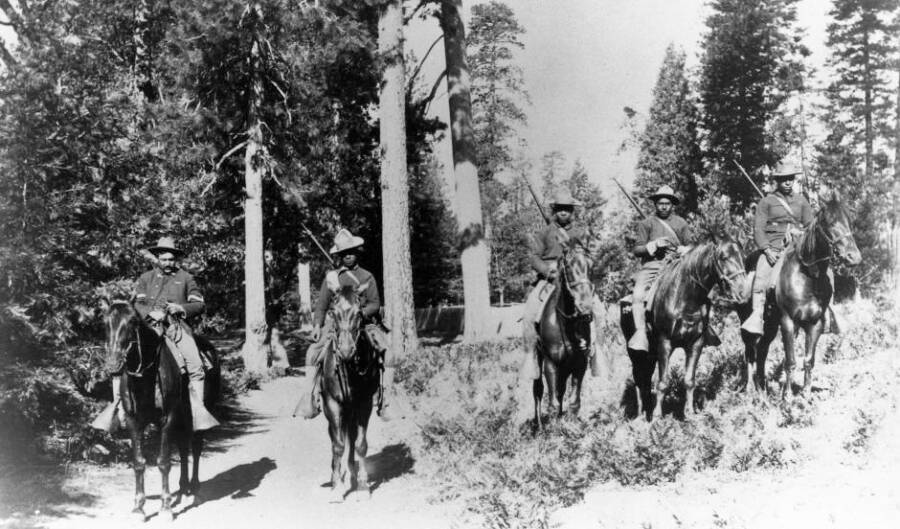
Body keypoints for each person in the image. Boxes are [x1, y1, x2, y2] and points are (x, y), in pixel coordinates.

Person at [91, 236, 219, 432]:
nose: (168, 263)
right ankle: (118, 410)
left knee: (195, 364)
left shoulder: (186, 278)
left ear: (176, 259)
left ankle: (198, 413)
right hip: (149, 327)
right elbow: (137, 304)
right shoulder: (146, 278)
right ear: (157, 258)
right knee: (121, 360)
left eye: (171, 259)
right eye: (164, 259)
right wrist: (149, 313)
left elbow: (199, 304)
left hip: (176, 328)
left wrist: (179, 308)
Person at [297, 229, 396, 420]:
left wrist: (358, 314)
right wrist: (317, 325)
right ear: (340, 256)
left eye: (351, 252)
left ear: (357, 252)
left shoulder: (367, 277)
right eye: (344, 253)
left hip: (364, 325)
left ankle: (387, 400)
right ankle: (310, 398)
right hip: (336, 326)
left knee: (389, 355)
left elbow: (375, 303)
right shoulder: (332, 278)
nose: (348, 256)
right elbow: (321, 306)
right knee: (312, 353)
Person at [521, 188, 599, 380]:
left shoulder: (581, 232)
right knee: (529, 313)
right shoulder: (544, 232)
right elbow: (534, 257)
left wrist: (581, 265)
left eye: (567, 209)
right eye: (560, 209)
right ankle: (531, 356)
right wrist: (548, 270)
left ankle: (597, 353)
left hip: (575, 278)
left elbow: (590, 255)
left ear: (573, 211)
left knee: (599, 311)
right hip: (549, 279)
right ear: (554, 211)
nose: (564, 212)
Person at [742, 162, 813, 335]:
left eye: (791, 179)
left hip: (798, 248)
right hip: (773, 248)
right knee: (761, 275)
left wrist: (799, 231)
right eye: (784, 179)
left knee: (822, 272)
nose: (788, 182)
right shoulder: (766, 202)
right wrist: (767, 250)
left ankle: (826, 311)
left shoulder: (801, 201)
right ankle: (757, 314)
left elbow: (811, 227)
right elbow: (758, 230)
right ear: (777, 181)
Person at [628, 185, 692, 352]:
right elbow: (637, 250)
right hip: (653, 265)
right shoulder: (646, 223)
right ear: (655, 204)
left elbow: (691, 246)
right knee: (638, 294)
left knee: (697, 291)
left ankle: (702, 330)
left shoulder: (681, 223)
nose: (664, 206)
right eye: (660, 203)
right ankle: (640, 333)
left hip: (676, 264)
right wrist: (653, 245)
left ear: (672, 205)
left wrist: (684, 250)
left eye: (667, 203)